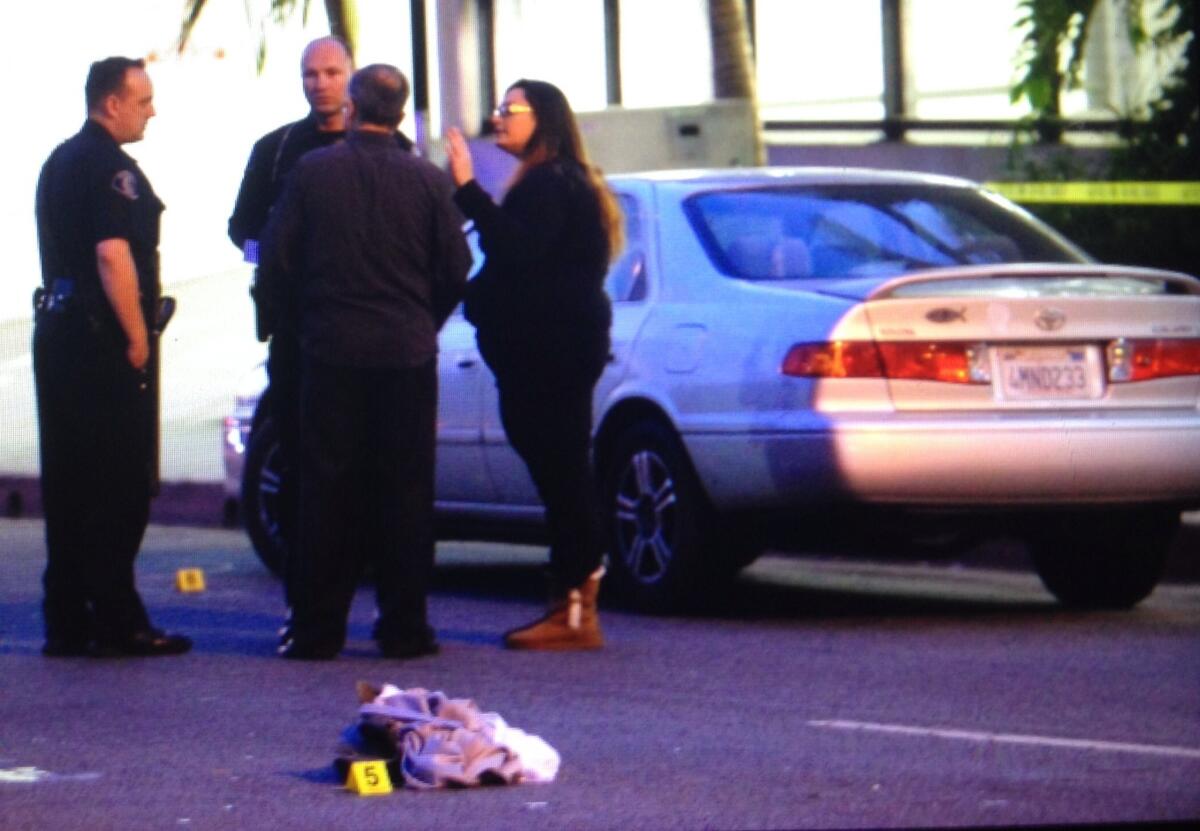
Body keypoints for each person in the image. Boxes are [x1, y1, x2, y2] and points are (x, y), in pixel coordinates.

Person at [259, 64, 470, 660]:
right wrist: (421, 320)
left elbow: (276, 260)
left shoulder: (313, 173)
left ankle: (317, 627)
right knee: (405, 491)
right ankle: (404, 626)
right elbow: (455, 268)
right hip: (405, 355)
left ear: (352, 106)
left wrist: (297, 320)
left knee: (326, 490)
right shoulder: (428, 182)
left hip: (331, 350)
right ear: (400, 113)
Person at [228, 36, 412, 632]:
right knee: (307, 468)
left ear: (351, 78)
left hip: (377, 342)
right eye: (311, 74)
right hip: (299, 336)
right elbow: (244, 233)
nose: (320, 84)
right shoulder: (279, 150)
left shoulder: (396, 151)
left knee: (381, 473)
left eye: (331, 72)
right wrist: (283, 262)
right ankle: (310, 603)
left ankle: (385, 608)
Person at [445, 79, 623, 650]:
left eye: (509, 109)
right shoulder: (561, 181)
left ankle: (574, 608)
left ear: (541, 118)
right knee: (562, 469)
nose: (498, 118)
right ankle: (572, 606)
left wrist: (468, 189)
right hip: (557, 347)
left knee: (563, 471)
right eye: (497, 107)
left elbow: (516, 249)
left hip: (552, 352)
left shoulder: (548, 183)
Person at [33, 56, 190, 658]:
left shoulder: (59, 161)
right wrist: (136, 336)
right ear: (112, 103)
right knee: (119, 486)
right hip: (100, 342)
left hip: (59, 332)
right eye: (143, 99)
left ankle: (68, 618)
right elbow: (112, 255)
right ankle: (118, 619)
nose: (152, 110)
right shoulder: (110, 170)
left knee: (70, 484)